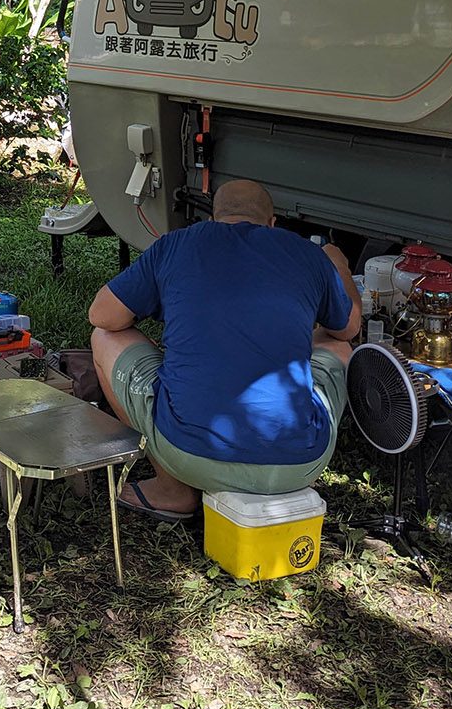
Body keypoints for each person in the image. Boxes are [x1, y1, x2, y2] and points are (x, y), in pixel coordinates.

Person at [89, 178, 361, 521]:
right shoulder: (306, 254)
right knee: (336, 343)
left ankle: (172, 488)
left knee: (105, 337)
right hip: (300, 464)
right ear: (272, 222)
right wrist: (338, 265)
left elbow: (102, 315)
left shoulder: (177, 244)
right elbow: (348, 327)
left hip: (188, 454)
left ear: (213, 219)